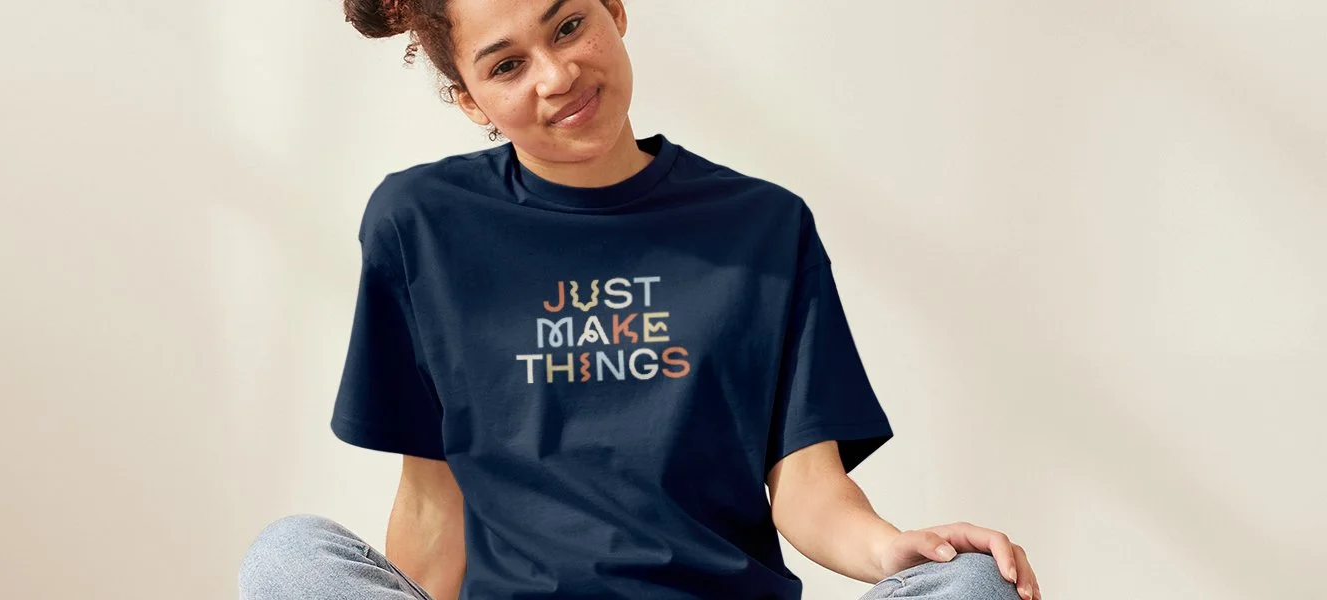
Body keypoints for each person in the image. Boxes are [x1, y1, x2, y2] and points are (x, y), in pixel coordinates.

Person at [239, 0, 1042, 598]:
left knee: (970, 584)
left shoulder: (763, 225)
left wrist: (892, 550)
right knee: (288, 558)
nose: (557, 77)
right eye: (507, 65)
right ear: (472, 103)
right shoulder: (419, 224)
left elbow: (808, 487)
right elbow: (431, 500)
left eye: (566, 27)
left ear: (614, 12)